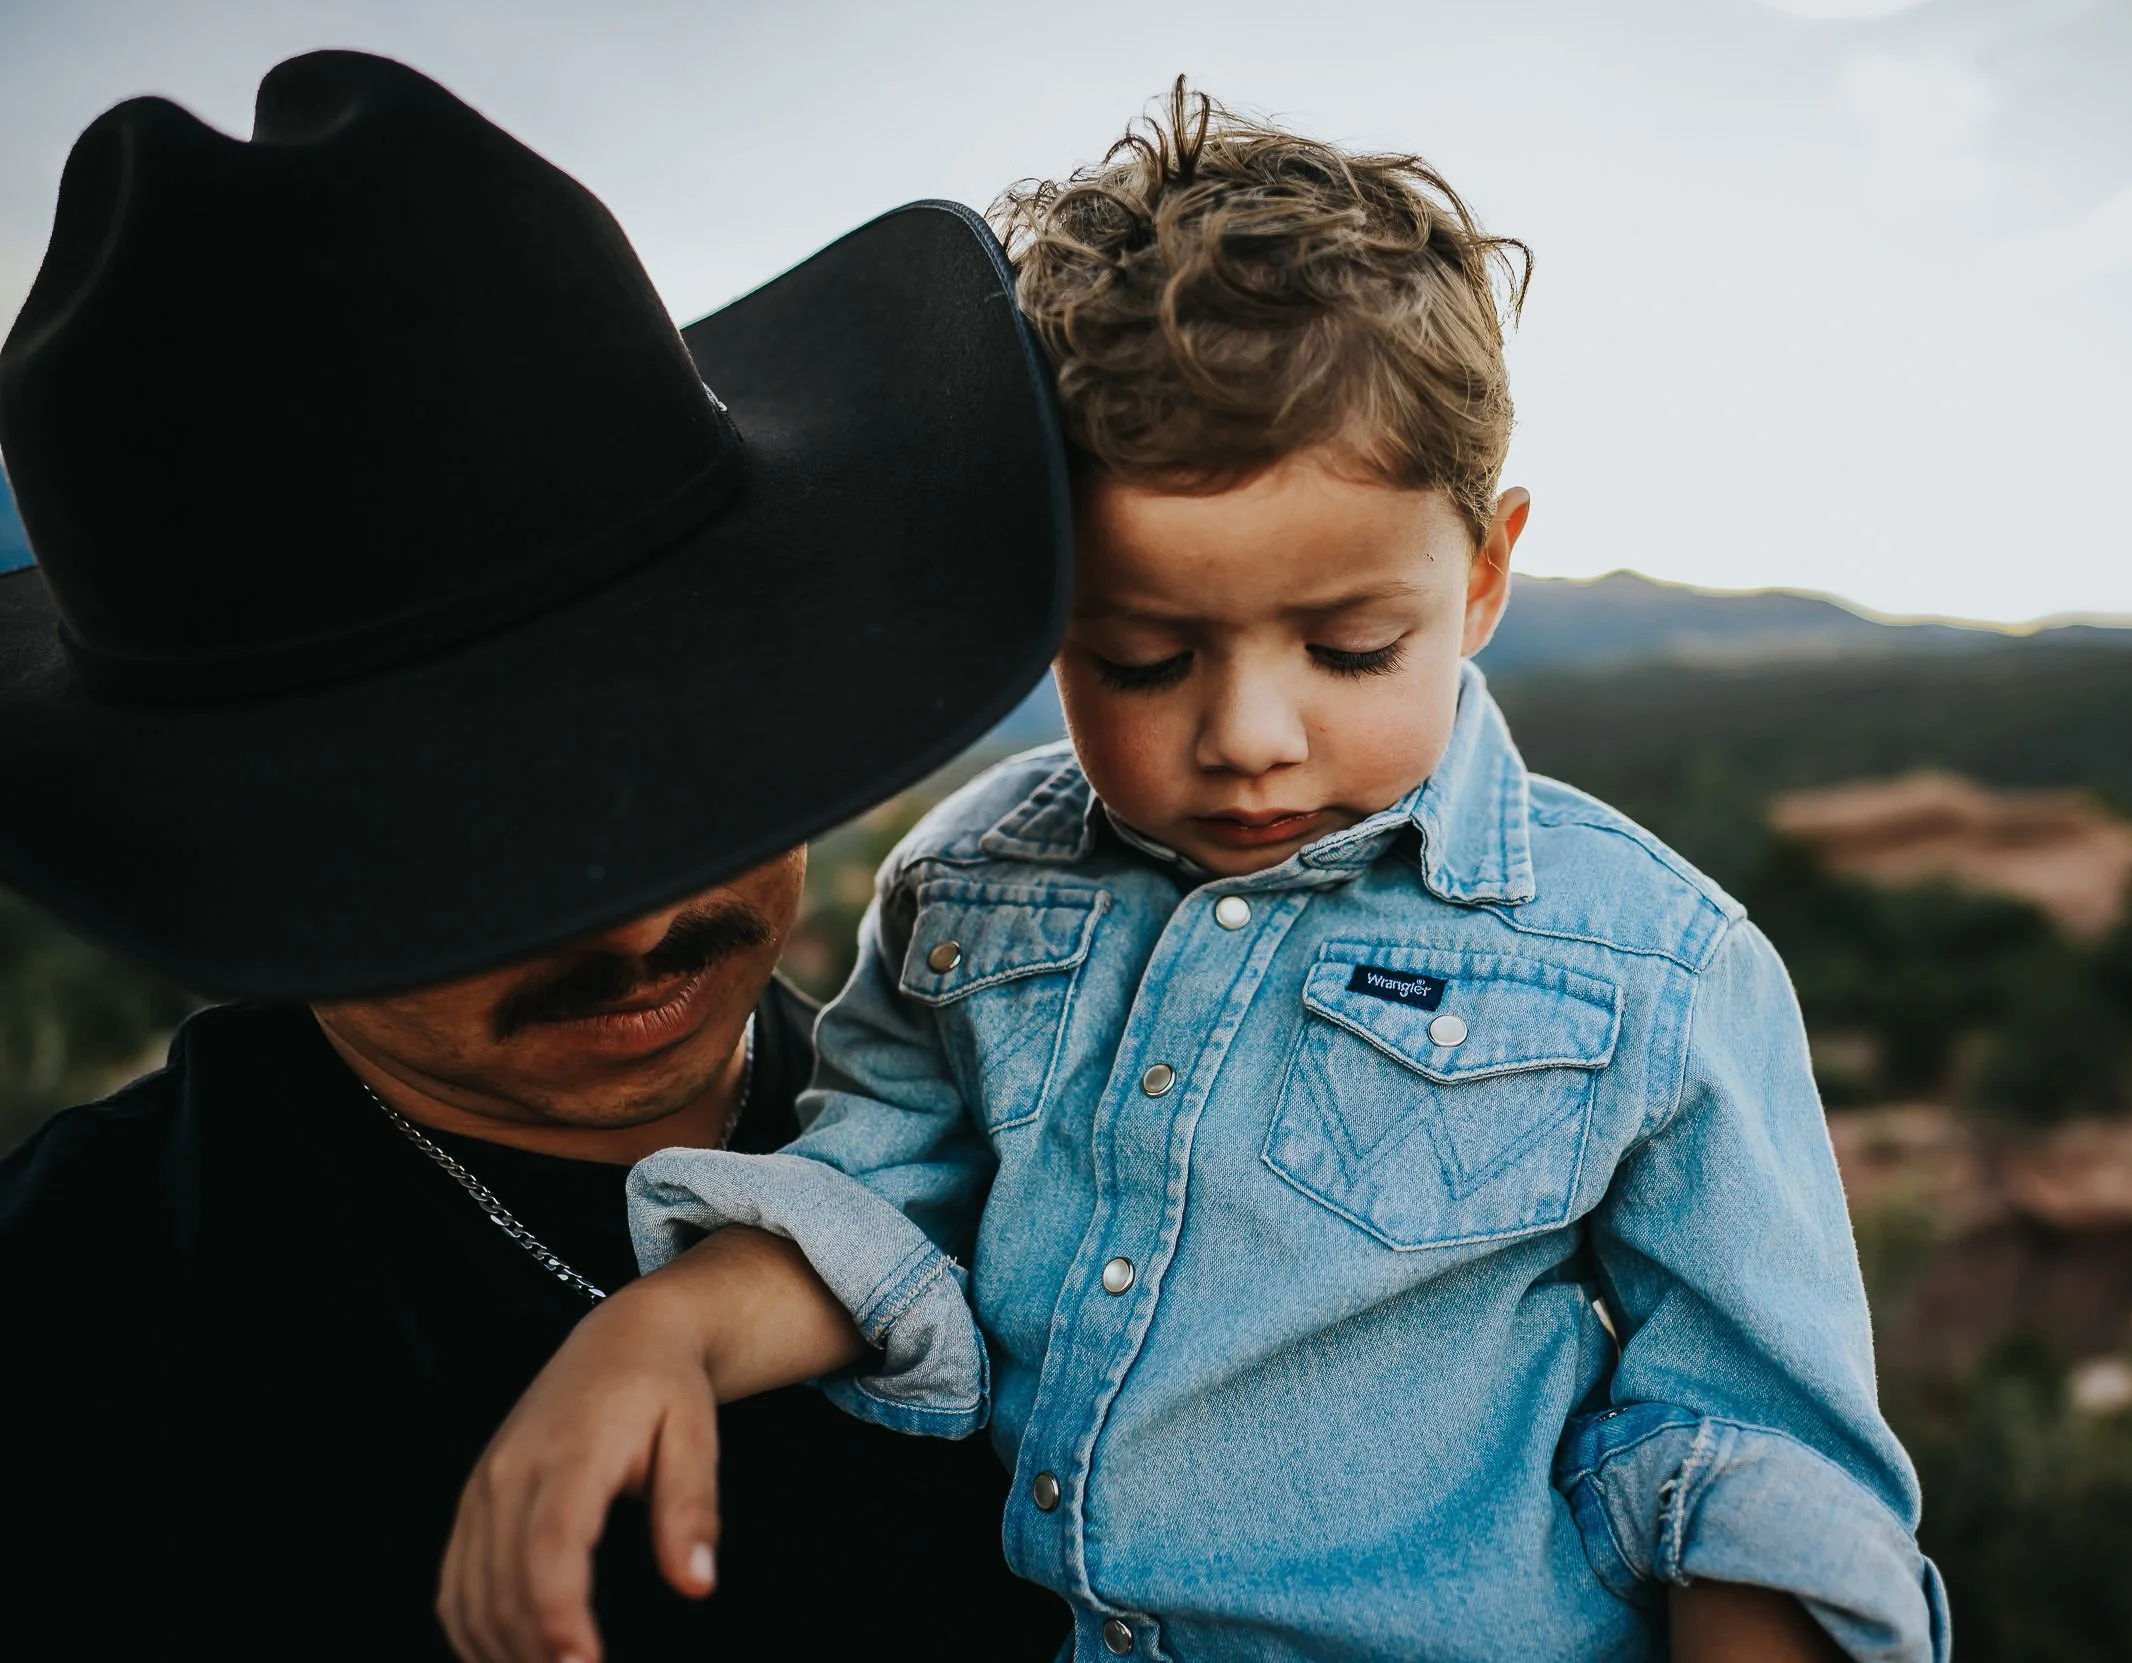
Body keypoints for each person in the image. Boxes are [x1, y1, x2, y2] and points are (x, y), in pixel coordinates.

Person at [444, 85, 1952, 1663]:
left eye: (1352, 648)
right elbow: (876, 1202)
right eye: (1145, 657)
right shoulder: (967, 881)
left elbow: (1750, 1448)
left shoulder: (1652, 962)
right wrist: (663, 1332)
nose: (1247, 737)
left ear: (1487, 573)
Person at [0, 51, 1070, 1658]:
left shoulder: (1056, 1135)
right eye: (477, 836)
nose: (637, 906)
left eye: (690, 750)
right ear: (231, 842)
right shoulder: (70, 1341)